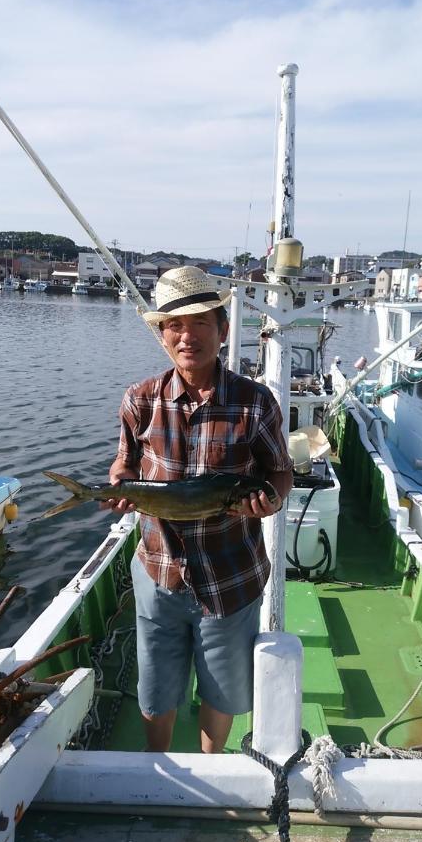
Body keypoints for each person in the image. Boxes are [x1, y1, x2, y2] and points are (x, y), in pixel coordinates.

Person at [105, 266, 293, 753]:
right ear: (163, 336)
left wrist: (266, 503)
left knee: (222, 692)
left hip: (231, 579)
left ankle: (212, 767)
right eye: (175, 326)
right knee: (156, 687)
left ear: (223, 331)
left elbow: (279, 473)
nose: (187, 336)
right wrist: (119, 490)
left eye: (200, 324)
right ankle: (156, 766)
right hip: (158, 572)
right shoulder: (140, 400)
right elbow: (123, 468)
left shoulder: (256, 403)